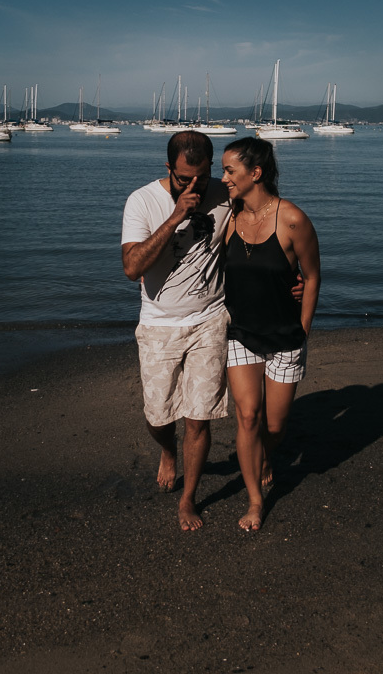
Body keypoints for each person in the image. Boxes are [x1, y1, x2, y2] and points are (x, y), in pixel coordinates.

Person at [121, 131, 231, 531]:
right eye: (184, 179)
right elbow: (132, 268)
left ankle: (189, 498)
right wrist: (175, 217)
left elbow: (265, 224)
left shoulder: (225, 194)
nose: (194, 187)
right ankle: (168, 452)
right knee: (158, 415)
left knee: (199, 418)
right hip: (159, 324)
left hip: (209, 319)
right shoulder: (142, 200)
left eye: (201, 178)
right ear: (169, 169)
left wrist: (294, 278)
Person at [220, 137, 321, 532]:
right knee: (247, 416)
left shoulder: (292, 220)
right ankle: (255, 501)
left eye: (230, 170)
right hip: (240, 333)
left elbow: (312, 278)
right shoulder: (227, 218)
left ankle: (263, 456)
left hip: (284, 335)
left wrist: (303, 329)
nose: (224, 177)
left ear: (255, 173)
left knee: (274, 429)